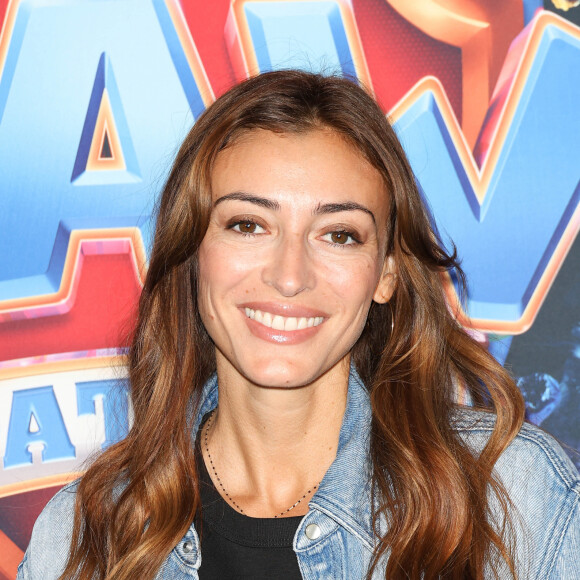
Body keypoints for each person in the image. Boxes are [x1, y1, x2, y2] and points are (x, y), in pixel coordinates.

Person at [17, 70, 580, 580]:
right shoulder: (84, 537)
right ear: (193, 255)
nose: (290, 277)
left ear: (384, 272)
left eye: (339, 234)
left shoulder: (512, 497)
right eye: (248, 224)